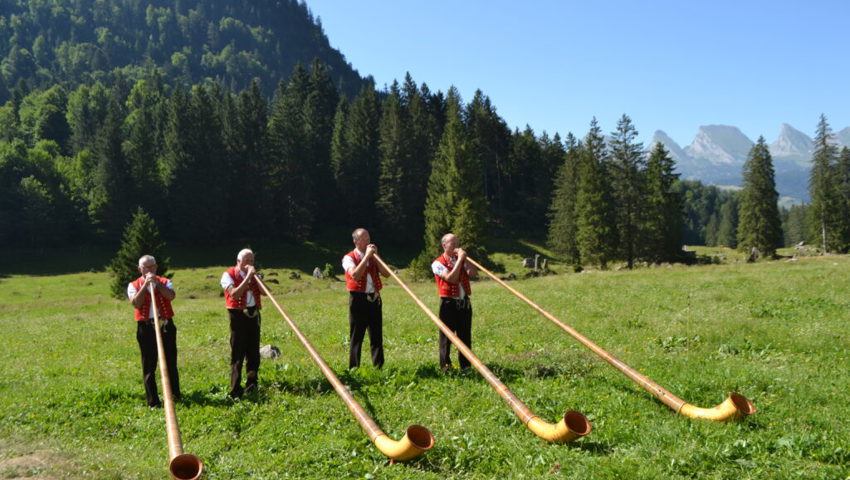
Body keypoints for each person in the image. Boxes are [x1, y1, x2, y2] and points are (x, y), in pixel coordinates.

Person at [127, 255, 180, 407]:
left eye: (152, 267)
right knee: (149, 364)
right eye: (146, 267)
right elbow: (136, 303)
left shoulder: (165, 282)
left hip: (165, 325)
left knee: (171, 361)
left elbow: (171, 296)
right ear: (140, 269)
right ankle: (153, 401)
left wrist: (156, 283)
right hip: (146, 327)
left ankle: (174, 395)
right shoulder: (133, 285)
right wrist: (145, 285)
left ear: (156, 267)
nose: (150, 270)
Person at [342, 228, 390, 369]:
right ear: (355, 241)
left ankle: (379, 367)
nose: (367, 242)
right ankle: (354, 368)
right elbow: (355, 275)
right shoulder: (348, 258)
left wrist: (376, 257)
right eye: (363, 239)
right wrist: (366, 257)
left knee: (376, 336)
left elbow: (386, 274)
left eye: (368, 238)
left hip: (374, 299)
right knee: (357, 336)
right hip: (358, 299)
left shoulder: (374, 257)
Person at [221, 248, 264, 399]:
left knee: (253, 352)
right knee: (238, 352)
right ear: (238, 261)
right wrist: (247, 279)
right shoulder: (228, 275)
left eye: (252, 261)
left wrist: (256, 278)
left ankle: (252, 385)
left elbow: (265, 292)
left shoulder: (255, 276)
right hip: (238, 315)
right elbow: (234, 293)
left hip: (254, 314)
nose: (249, 264)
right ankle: (235, 389)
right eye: (246, 261)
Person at [432, 233, 478, 371]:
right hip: (448, 303)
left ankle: (466, 366)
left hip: (464, 302)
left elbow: (472, 273)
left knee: (465, 335)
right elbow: (451, 278)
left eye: (457, 243)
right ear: (444, 245)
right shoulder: (437, 263)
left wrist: (466, 259)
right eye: (453, 243)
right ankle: (446, 367)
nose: (456, 246)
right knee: (446, 337)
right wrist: (460, 261)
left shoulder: (461, 259)